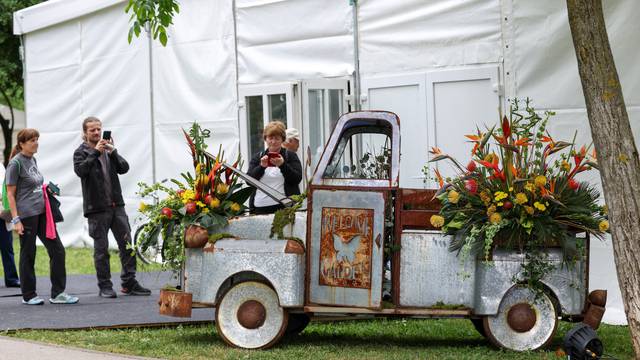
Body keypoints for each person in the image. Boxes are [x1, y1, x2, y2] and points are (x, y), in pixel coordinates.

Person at [73, 117, 150, 298]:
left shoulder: (108, 150)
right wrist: (95, 153)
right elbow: (80, 171)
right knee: (102, 250)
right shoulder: (81, 152)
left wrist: (113, 151)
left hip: (117, 206)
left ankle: (129, 283)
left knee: (128, 245)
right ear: (85, 133)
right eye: (92, 130)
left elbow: (124, 168)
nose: (97, 133)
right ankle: (105, 286)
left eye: (99, 129)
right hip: (97, 209)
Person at [6, 129, 78, 305]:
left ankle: (58, 293)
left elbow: (32, 184)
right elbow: (10, 194)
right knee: (28, 254)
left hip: (43, 213)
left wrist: (47, 188)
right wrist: (16, 220)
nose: (36, 143)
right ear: (22, 143)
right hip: (27, 216)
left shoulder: (33, 160)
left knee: (58, 250)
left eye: (37, 139)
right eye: (32, 140)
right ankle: (28, 295)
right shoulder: (15, 164)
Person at [247, 121, 302, 214]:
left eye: (277, 138)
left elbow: (297, 179)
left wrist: (282, 165)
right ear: (265, 139)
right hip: (259, 209)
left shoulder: (290, 156)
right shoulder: (258, 157)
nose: (273, 141)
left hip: (284, 208)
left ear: (282, 139)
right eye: (270, 138)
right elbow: (248, 181)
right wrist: (261, 167)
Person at [0, 164, 20, 288]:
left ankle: (11, 278)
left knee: (7, 246)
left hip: (2, 211)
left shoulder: (0, 166)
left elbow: (6, 186)